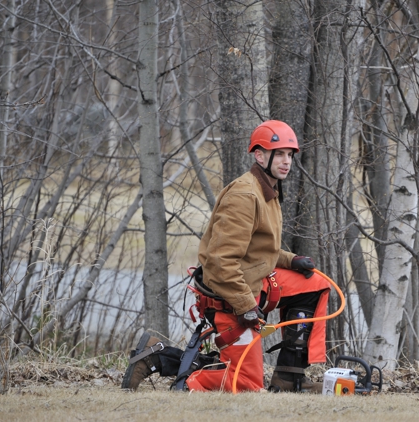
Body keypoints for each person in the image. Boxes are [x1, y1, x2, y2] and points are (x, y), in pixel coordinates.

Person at [121, 120, 330, 393]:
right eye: (279, 153)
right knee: (246, 384)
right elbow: (221, 262)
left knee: (314, 283)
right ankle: (166, 364)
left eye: (289, 155)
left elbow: (256, 250)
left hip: (252, 283)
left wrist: (291, 261)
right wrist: (246, 307)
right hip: (229, 296)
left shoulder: (268, 189)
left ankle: (289, 377)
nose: (286, 161)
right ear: (259, 155)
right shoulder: (244, 195)